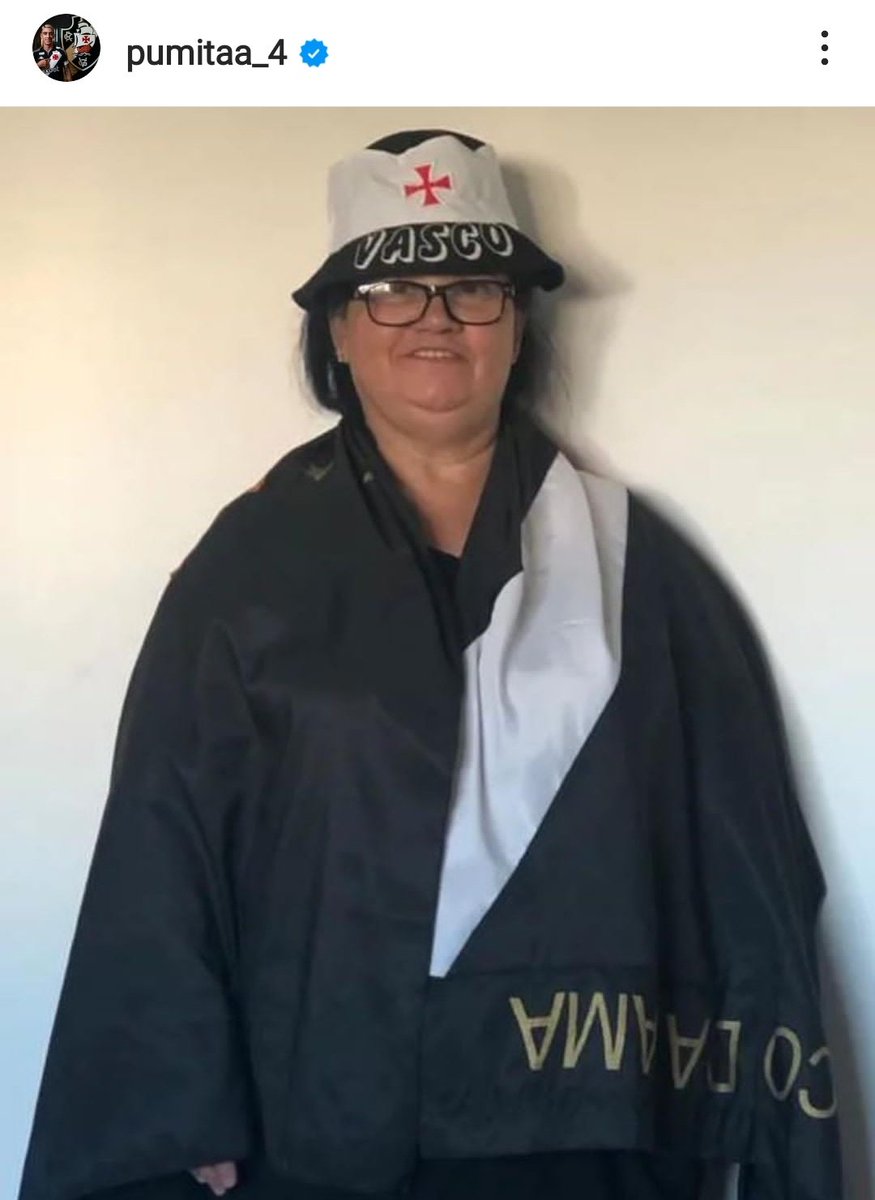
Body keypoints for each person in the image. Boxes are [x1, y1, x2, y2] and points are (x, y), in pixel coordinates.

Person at [18, 130, 842, 1200]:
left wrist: (748, 1083)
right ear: (339, 329)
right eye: (393, 291)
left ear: (517, 325)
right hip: (319, 1109)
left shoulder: (637, 561)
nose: (435, 321)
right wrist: (179, 1096)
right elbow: (161, 832)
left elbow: (738, 845)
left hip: (584, 1119)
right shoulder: (248, 565)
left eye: (472, 290)